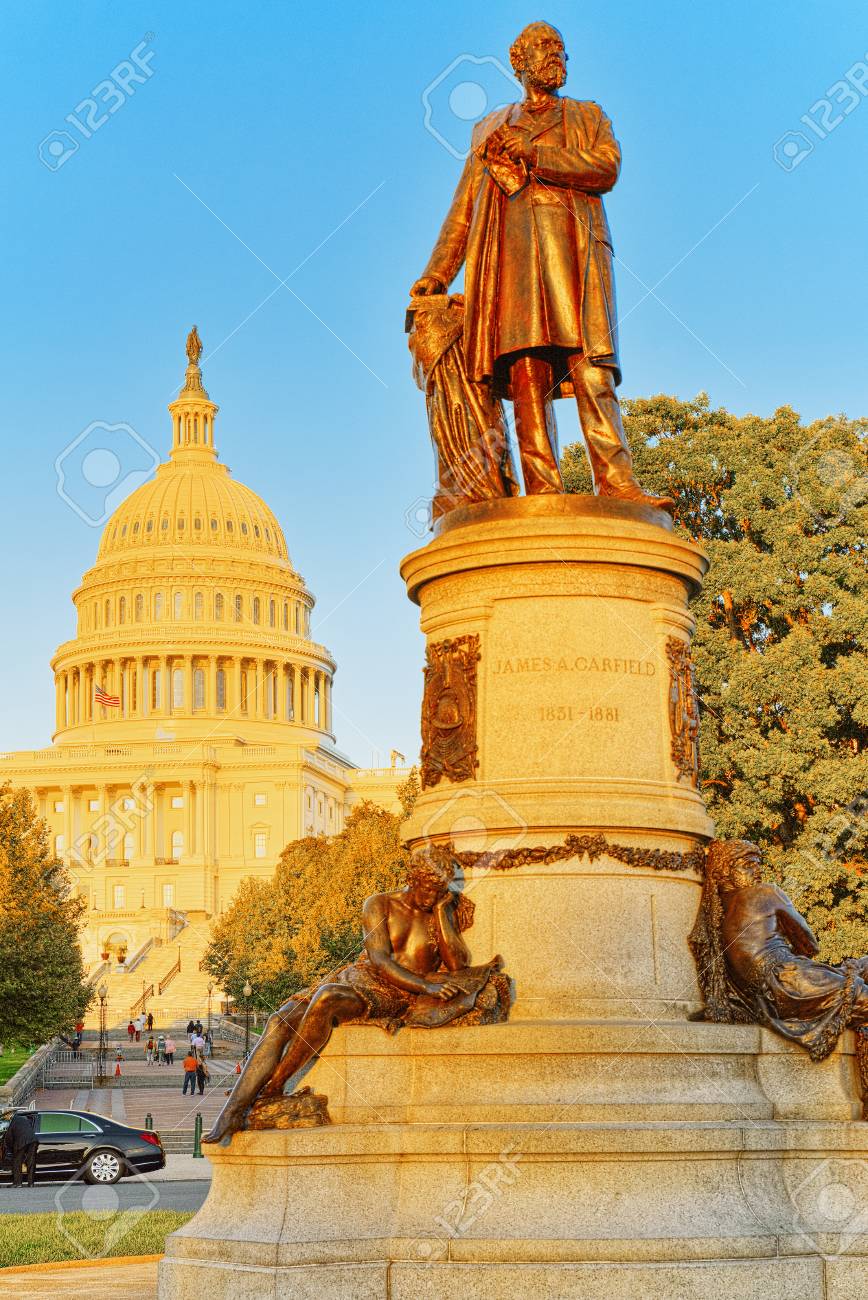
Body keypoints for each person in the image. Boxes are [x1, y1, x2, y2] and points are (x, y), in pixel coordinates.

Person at [410, 21, 671, 510]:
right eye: (547, 49)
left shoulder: (588, 116)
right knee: (526, 373)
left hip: (574, 252)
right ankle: (543, 494)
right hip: (510, 263)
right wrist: (438, 271)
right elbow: (464, 208)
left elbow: (605, 167)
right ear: (520, 61)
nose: (559, 58)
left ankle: (617, 483)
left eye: (563, 51)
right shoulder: (489, 129)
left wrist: (535, 153)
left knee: (591, 368)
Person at [205, 847, 508, 1142]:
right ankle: (232, 1111)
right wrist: (427, 986)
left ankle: (273, 1088)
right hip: (366, 977)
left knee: (327, 998)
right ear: (413, 878)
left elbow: (458, 963)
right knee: (278, 1019)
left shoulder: (439, 911)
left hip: (397, 993)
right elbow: (380, 959)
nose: (433, 896)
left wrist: (442, 913)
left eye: (440, 890)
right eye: (429, 889)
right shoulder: (379, 904)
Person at [689, 839, 868, 1059]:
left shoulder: (716, 917)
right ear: (724, 870)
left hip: (765, 999)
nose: (758, 870)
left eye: (758, 864)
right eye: (749, 864)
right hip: (789, 978)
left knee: (860, 972)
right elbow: (809, 944)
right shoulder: (765, 892)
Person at [4, 1111, 38, 1188]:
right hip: (33, 1140)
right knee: (31, 1162)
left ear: (10, 1116)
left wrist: (9, 1147)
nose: (6, 1118)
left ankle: (18, 1183)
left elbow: (9, 1137)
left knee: (16, 1162)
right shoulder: (22, 1119)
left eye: (6, 1117)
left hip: (22, 1141)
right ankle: (31, 1183)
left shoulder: (12, 1122)